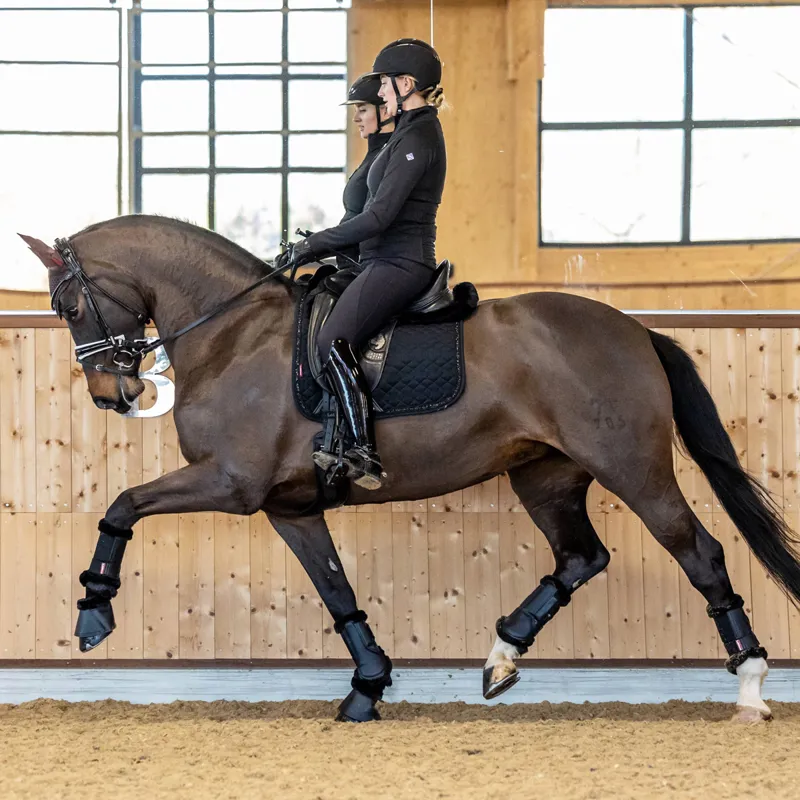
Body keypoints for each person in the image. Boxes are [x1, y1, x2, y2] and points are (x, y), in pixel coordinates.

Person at [282, 38, 446, 490]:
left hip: (400, 263)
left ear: (406, 84)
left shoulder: (419, 136)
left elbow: (377, 217)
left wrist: (315, 243)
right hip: (378, 260)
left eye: (384, 84)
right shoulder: (408, 133)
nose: (381, 94)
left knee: (334, 339)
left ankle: (359, 447)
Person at [336, 74, 395, 269]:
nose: (355, 118)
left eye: (362, 110)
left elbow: (371, 218)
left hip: (377, 264)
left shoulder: (389, 156)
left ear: (385, 111)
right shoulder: (374, 154)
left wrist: (317, 244)